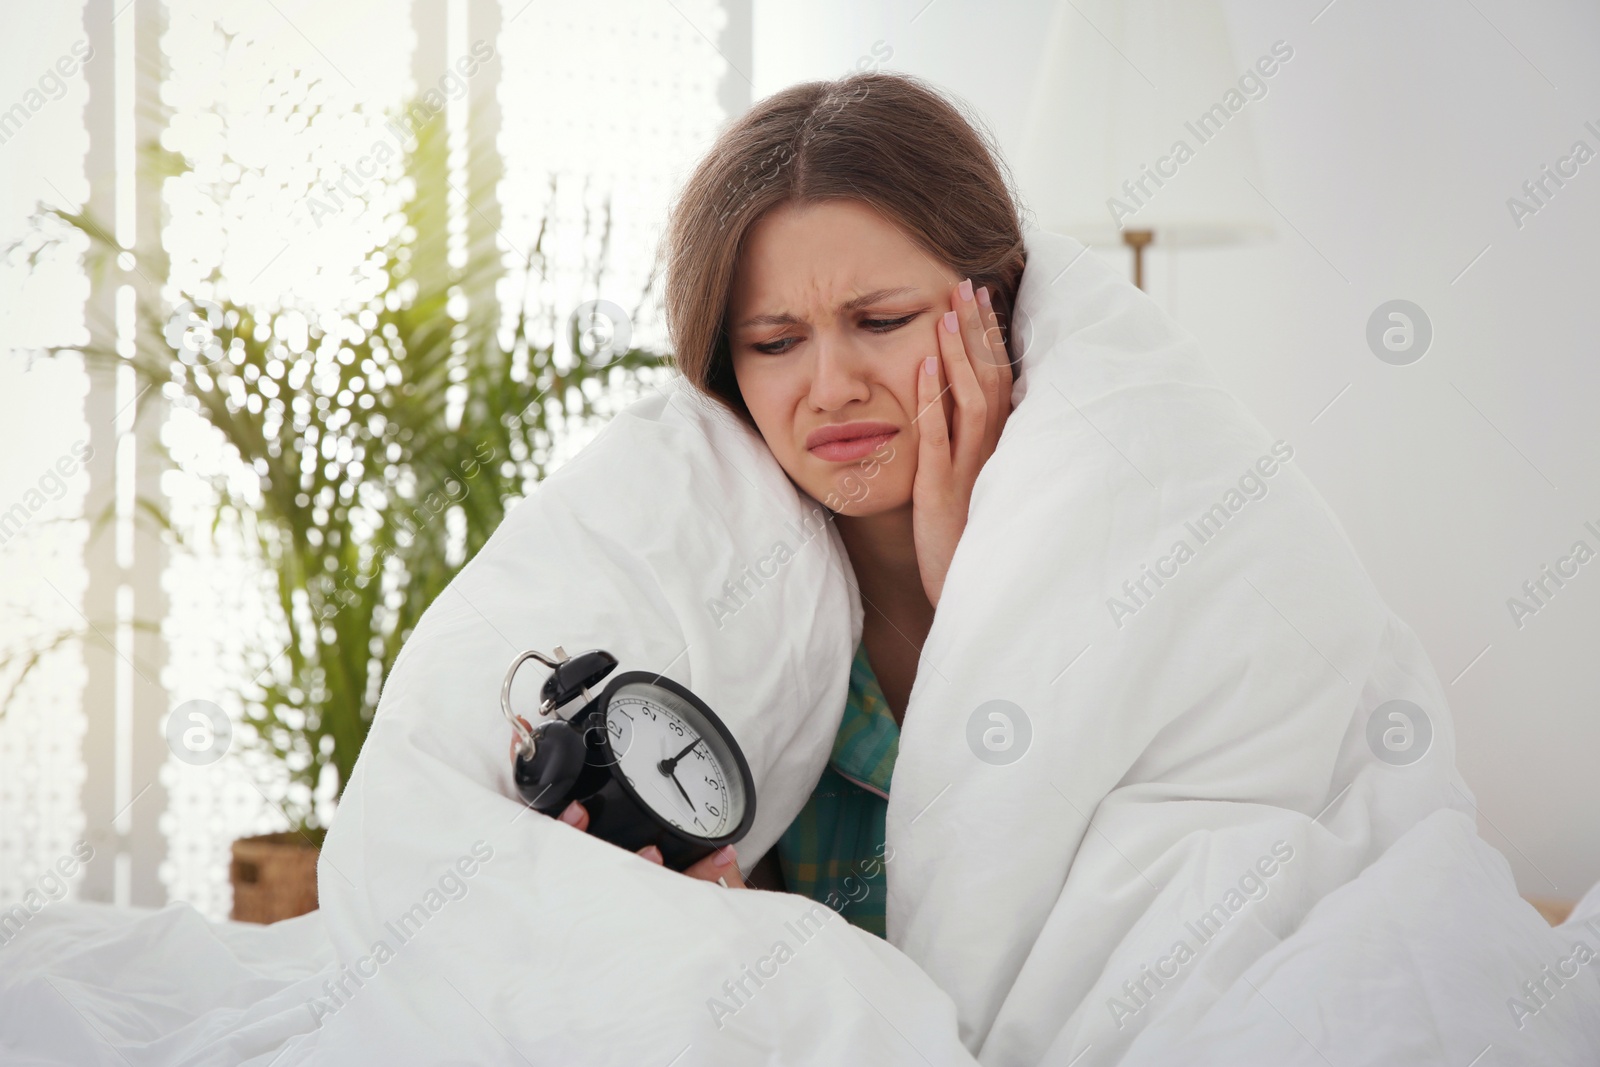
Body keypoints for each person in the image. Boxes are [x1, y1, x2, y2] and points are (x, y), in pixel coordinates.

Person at [551, 72, 1026, 926]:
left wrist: (971, 581)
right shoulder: (727, 624)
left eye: (880, 321)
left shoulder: (1111, 550)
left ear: (990, 311)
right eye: (776, 342)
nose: (832, 387)